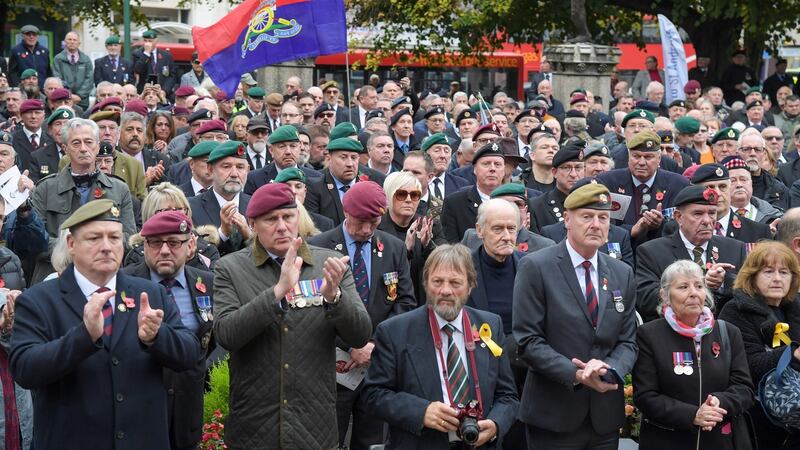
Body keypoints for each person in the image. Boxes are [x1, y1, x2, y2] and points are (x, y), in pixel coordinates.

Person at [10, 199, 202, 449]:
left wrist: (157, 336)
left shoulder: (150, 294)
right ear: (71, 245)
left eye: (114, 237)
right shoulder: (39, 300)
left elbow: (190, 355)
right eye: (94, 238)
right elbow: (25, 370)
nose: (106, 247)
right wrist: (83, 337)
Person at [212, 182, 372, 448]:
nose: (282, 226)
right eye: (271, 219)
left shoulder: (328, 263)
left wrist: (335, 298)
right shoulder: (230, 268)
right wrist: (277, 292)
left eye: (288, 216)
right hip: (256, 426)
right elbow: (227, 334)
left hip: (314, 426)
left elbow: (360, 334)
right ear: (252, 224)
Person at [513, 182, 638, 449]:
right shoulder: (536, 266)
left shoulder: (621, 272)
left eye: (603, 217)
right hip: (553, 415)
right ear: (567, 219)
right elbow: (528, 341)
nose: (596, 224)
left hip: (604, 417)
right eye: (587, 216)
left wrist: (610, 369)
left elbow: (628, 341)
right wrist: (577, 373)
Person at [363, 244, 520, 449]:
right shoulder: (394, 331)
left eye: (455, 282)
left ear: (470, 286)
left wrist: (496, 424)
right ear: (426, 284)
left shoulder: (490, 325)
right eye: (437, 281)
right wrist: (421, 412)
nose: (445, 290)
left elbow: (508, 396)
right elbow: (373, 394)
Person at [307, 180, 416, 449]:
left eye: (375, 222)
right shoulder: (318, 247)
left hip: (377, 367)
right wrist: (351, 346)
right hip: (334, 365)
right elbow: (310, 307)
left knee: (372, 441)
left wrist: (374, 346)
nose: (367, 230)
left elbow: (405, 302)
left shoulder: (393, 248)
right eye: (361, 221)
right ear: (346, 212)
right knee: (328, 439)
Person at [633, 259, 754, 450]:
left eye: (699, 285)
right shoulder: (649, 335)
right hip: (667, 441)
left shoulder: (728, 332)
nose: (693, 293)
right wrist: (693, 415)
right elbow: (645, 396)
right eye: (683, 287)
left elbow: (744, 389)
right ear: (665, 295)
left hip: (719, 441)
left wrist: (719, 401)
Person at [122, 211, 215, 450]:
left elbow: (213, 339)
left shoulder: (208, 284)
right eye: (155, 242)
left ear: (190, 245)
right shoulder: (122, 283)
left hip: (187, 412)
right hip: (136, 412)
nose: (164, 250)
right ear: (144, 245)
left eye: (174, 242)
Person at [31, 118, 136, 283]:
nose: (83, 149)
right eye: (76, 143)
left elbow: (129, 237)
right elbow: (36, 239)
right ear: (65, 148)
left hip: (105, 275)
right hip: (55, 274)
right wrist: (74, 250)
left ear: (97, 146)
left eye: (88, 142)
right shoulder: (45, 189)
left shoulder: (119, 188)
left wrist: (93, 247)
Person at [718, 241, 800, 449]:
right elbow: (748, 366)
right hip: (757, 414)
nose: (777, 279)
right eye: (768, 272)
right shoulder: (735, 310)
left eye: (784, 272)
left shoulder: (796, 308)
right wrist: (793, 354)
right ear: (752, 277)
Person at [635, 185, 747, 322]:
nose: (707, 221)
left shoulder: (735, 247)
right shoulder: (652, 251)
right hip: (672, 333)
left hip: (724, 332)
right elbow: (645, 299)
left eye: (712, 213)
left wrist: (723, 283)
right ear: (679, 217)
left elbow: (750, 291)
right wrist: (699, 284)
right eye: (698, 214)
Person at [378, 171, 439, 303]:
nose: (408, 199)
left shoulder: (428, 224)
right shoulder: (376, 228)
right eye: (401, 194)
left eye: (414, 195)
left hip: (422, 303)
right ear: (389, 196)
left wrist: (427, 246)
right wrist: (405, 251)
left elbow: (443, 265)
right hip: (388, 304)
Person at [187, 140, 252, 256]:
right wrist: (222, 234)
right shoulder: (191, 207)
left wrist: (249, 236)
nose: (234, 174)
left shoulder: (256, 205)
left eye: (240, 167)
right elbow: (191, 254)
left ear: (248, 170)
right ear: (210, 169)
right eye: (226, 166)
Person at [305, 137, 386, 226]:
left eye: (354, 158)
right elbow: (314, 225)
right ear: (329, 158)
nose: (350, 164)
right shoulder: (315, 187)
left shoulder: (374, 183)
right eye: (343, 157)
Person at [441, 142, 507, 243]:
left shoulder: (514, 201)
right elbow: (451, 247)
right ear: (475, 169)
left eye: (497, 164)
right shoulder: (454, 203)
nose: (492, 169)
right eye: (486, 164)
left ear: (504, 170)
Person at [243, 125, 322, 194]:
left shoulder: (316, 178)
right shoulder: (255, 179)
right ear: (271, 150)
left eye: (293, 146)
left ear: (299, 148)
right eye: (282, 146)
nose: (288, 152)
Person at [529, 141, 585, 233]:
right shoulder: (537, 206)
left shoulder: (593, 203)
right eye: (567, 168)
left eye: (578, 168)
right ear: (554, 172)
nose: (573, 174)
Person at [51, 32, 93, 109]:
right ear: (65, 42)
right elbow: (57, 79)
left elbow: (89, 80)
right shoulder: (58, 59)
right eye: (69, 39)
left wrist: (79, 96)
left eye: (75, 40)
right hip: (64, 101)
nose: (72, 42)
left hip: (82, 101)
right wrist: (68, 95)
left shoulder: (86, 59)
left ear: (79, 43)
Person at [133, 29, 177, 97]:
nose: (147, 43)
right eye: (145, 41)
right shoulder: (138, 54)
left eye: (150, 41)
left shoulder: (166, 56)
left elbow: (172, 76)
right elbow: (137, 70)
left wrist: (165, 90)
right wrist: (146, 54)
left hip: (161, 91)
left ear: (156, 41)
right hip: (145, 93)